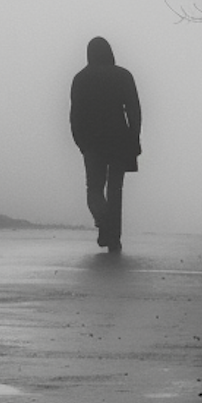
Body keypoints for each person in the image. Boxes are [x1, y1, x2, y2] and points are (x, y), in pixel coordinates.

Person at [69, 36, 141, 253]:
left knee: (94, 189)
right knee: (115, 190)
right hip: (119, 141)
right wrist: (134, 138)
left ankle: (104, 224)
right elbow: (134, 110)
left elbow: (75, 115)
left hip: (92, 143)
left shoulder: (80, 79)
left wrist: (80, 141)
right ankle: (113, 237)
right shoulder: (123, 76)